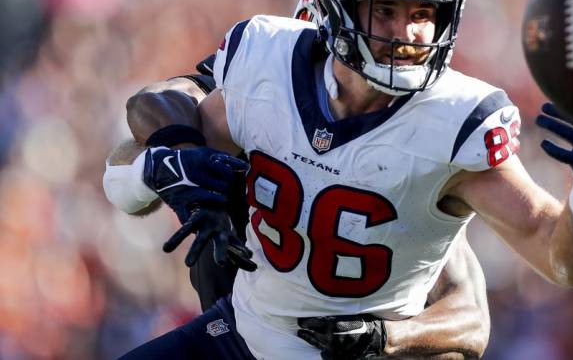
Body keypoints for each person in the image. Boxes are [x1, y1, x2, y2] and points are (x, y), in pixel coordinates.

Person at [104, 0, 573, 358]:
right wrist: (168, 169)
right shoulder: (268, 63)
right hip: (246, 335)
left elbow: (562, 259)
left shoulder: (455, 123)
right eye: (387, 10)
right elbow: (149, 137)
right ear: (335, 5)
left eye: (423, 14)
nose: (407, 33)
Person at [106, 53, 491, 358]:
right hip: (235, 329)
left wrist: (386, 338)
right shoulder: (252, 92)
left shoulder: (400, 157)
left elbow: (470, 321)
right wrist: (174, 162)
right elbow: (147, 122)